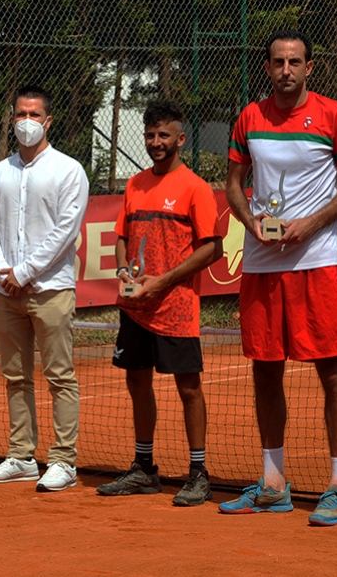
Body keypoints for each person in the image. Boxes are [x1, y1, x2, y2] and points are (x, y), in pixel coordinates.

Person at [220, 29, 337, 525]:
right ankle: (274, 481)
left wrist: (310, 224)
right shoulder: (249, 117)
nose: (286, 70)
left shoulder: (333, 115)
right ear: (267, 67)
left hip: (317, 263)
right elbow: (234, 184)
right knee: (266, 369)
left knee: (331, 372)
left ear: (310, 67)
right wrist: (249, 222)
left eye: (295, 62)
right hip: (263, 265)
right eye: (278, 62)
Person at [95, 101, 223, 506]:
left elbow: (213, 249)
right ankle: (144, 468)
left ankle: (199, 473)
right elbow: (120, 237)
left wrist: (163, 282)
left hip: (177, 307)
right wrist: (123, 272)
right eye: (150, 135)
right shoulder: (134, 184)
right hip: (135, 308)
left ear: (180, 139)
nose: (156, 142)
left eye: (164, 135)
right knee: (137, 382)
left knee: (188, 388)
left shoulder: (196, 188)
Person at [0, 85, 89, 491]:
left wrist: (23, 272)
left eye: (35, 115)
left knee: (59, 375)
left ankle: (64, 461)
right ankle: (22, 456)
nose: (27, 121)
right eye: (21, 114)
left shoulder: (68, 170)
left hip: (51, 289)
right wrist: (2, 269)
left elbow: (65, 231)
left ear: (48, 121)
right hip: (6, 291)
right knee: (14, 376)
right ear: (12, 118)